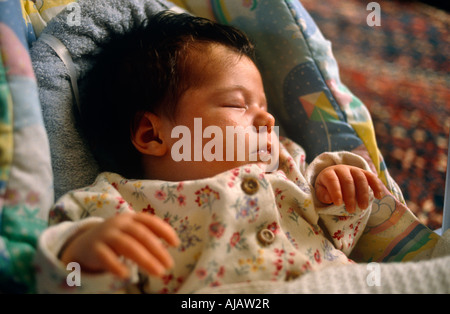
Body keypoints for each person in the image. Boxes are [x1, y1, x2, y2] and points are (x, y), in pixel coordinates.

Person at [35, 11, 384, 293]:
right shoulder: (114, 203)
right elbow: (57, 272)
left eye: (264, 105)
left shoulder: (288, 167)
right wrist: (78, 251)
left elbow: (344, 238)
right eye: (237, 103)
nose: (268, 118)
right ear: (151, 134)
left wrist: (337, 192)